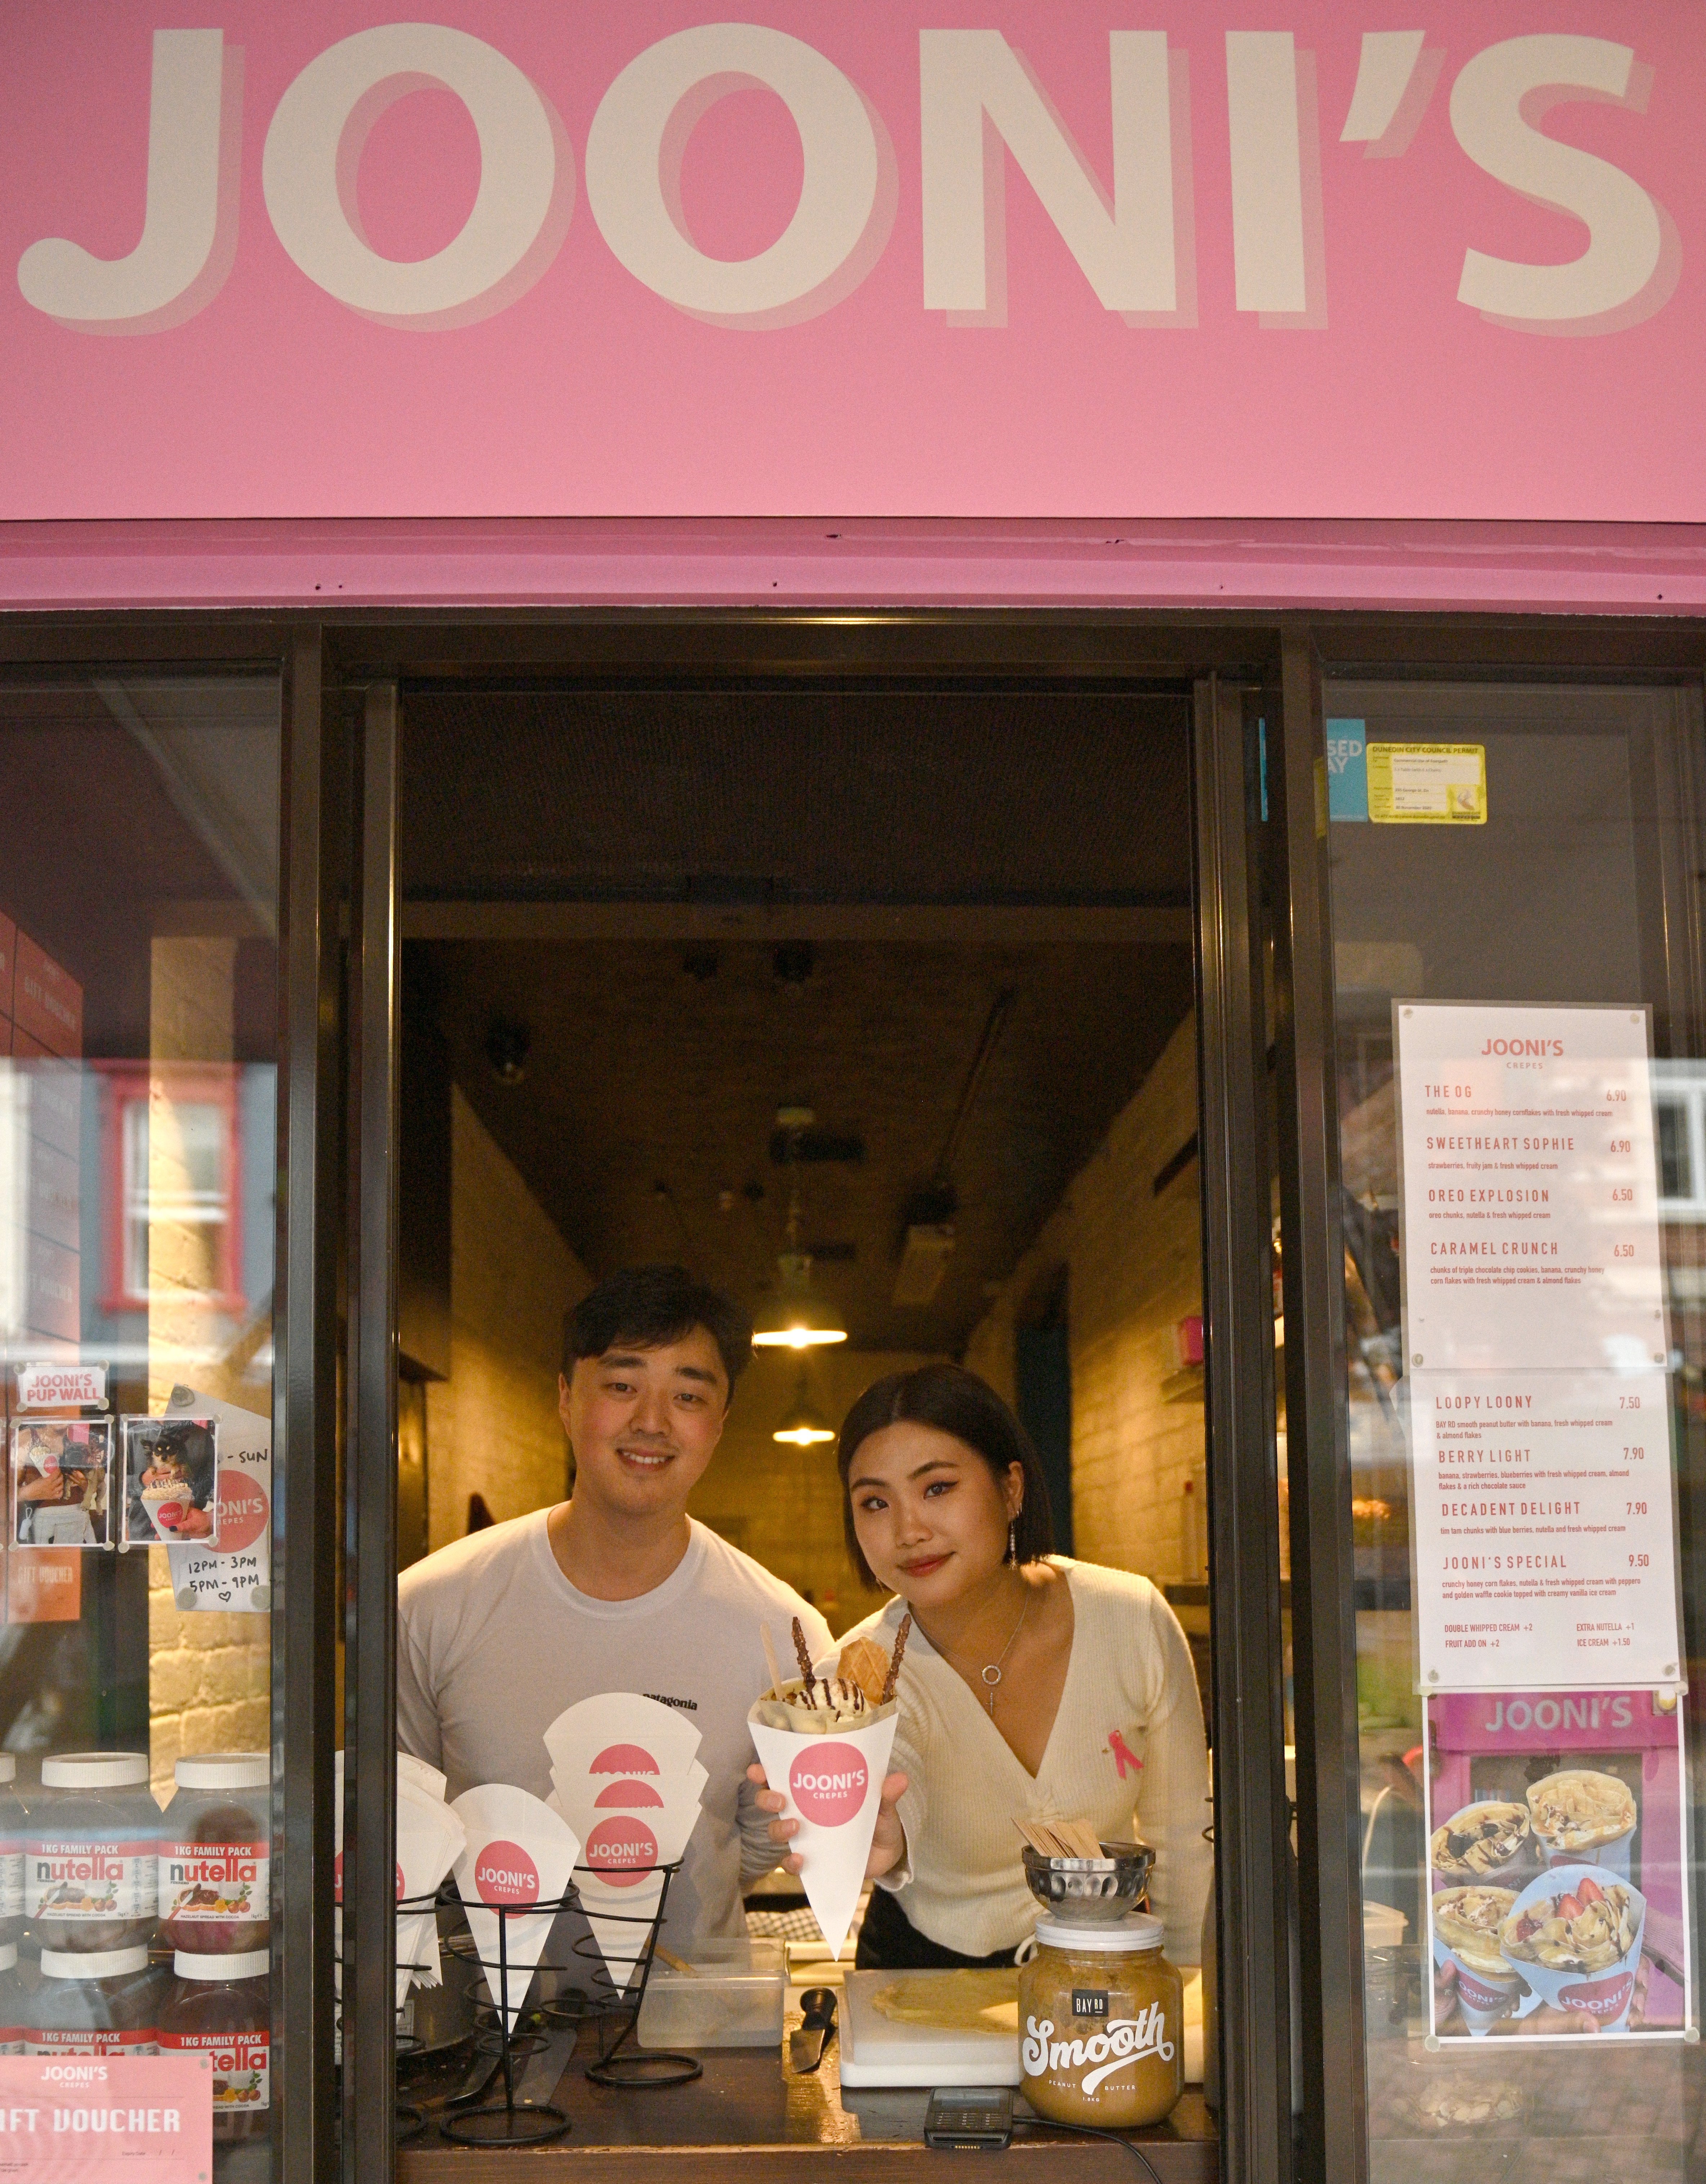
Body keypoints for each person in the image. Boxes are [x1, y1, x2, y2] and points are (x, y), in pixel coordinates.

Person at [397, 1264, 842, 1954]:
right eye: (622, 1386)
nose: (652, 1423)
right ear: (567, 1399)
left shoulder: (785, 1636)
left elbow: (753, 1852)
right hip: (488, 2034)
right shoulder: (431, 1606)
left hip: (699, 2033)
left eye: (688, 1397)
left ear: (720, 1423)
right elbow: (403, 1828)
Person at [751, 1363, 1212, 1969]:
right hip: (924, 1980)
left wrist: (1185, 2000)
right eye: (874, 1502)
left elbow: (1182, 1842)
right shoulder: (860, 1672)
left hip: (1106, 1971)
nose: (909, 1530)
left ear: (1011, 1488)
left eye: (937, 1488)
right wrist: (877, 1836)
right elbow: (894, 1780)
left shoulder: (1130, 1619)